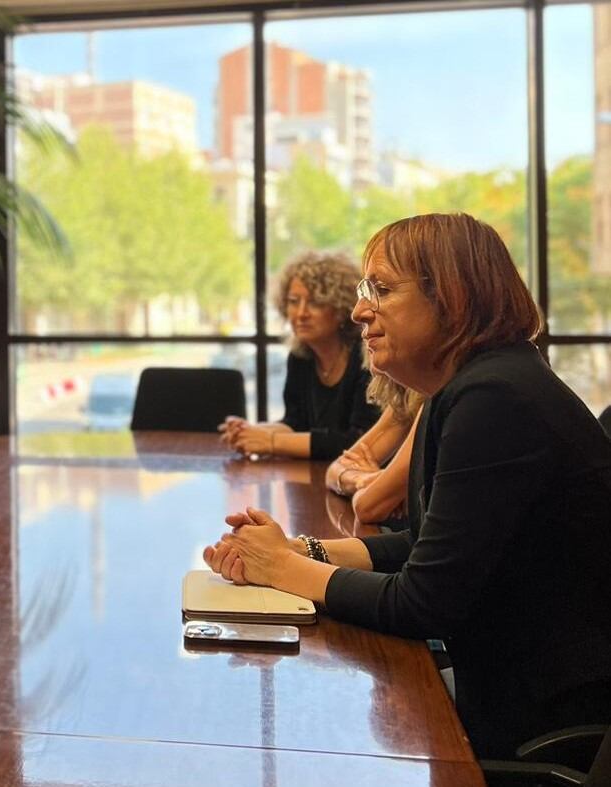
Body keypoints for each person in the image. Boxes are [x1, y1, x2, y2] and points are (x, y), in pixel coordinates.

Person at [204, 213, 611, 757]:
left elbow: (421, 603)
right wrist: (304, 550)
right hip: (510, 688)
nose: (359, 311)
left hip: (544, 725)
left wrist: (281, 569)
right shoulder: (474, 387)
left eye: (382, 289)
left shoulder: (495, 399)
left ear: (453, 298)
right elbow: (426, 543)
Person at [219, 251, 379, 459]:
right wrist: (249, 432)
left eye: (315, 303)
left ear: (342, 309)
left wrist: (270, 442)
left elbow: (359, 441)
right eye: (294, 301)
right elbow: (295, 424)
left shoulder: (367, 356)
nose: (301, 313)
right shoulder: (300, 356)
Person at [325, 374, 423, 525]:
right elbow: (334, 470)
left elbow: (366, 507)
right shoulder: (408, 396)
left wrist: (377, 486)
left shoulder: (432, 394)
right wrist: (361, 480)